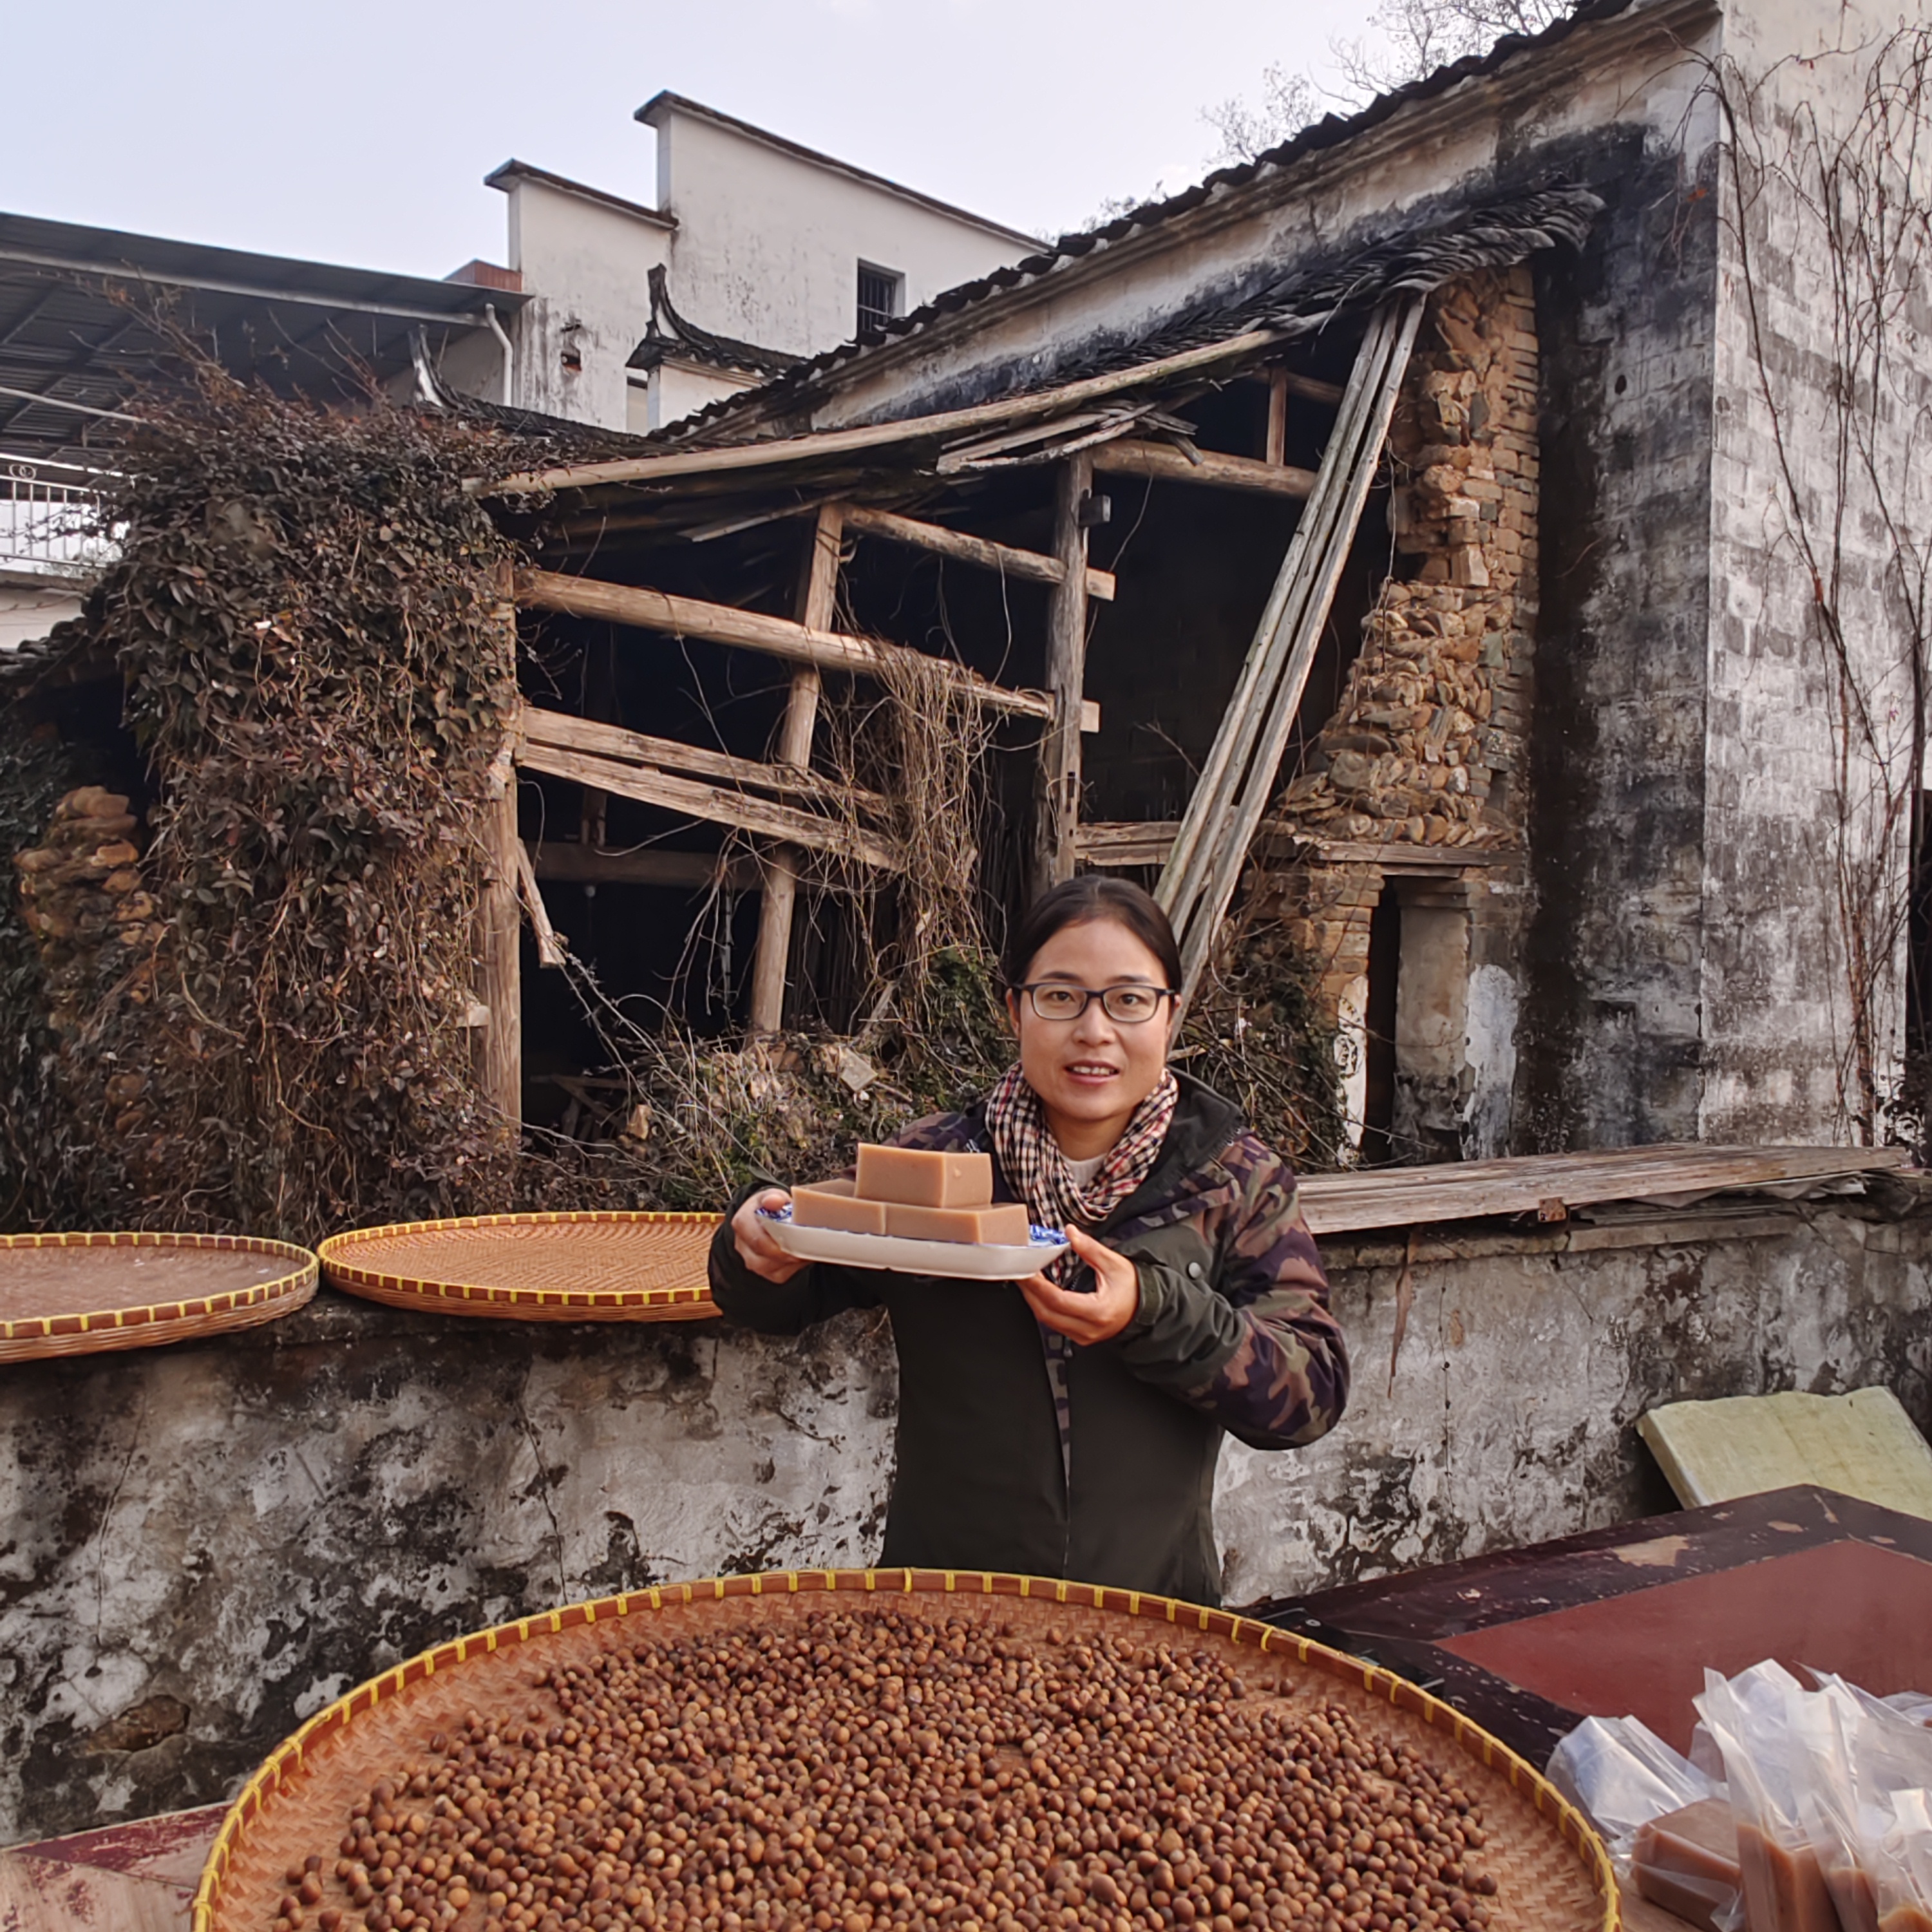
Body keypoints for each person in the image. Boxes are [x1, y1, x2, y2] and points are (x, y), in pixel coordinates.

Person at [708, 876, 1348, 1604]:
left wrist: (1155, 1311)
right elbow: (776, 1296)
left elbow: (1310, 1394)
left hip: (1152, 1622)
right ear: (1015, 1009)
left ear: (1170, 1014)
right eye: (1061, 996)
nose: (1094, 1031)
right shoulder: (937, 1159)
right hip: (940, 1616)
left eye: (1129, 1000)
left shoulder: (1233, 1180)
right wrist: (754, 1241)